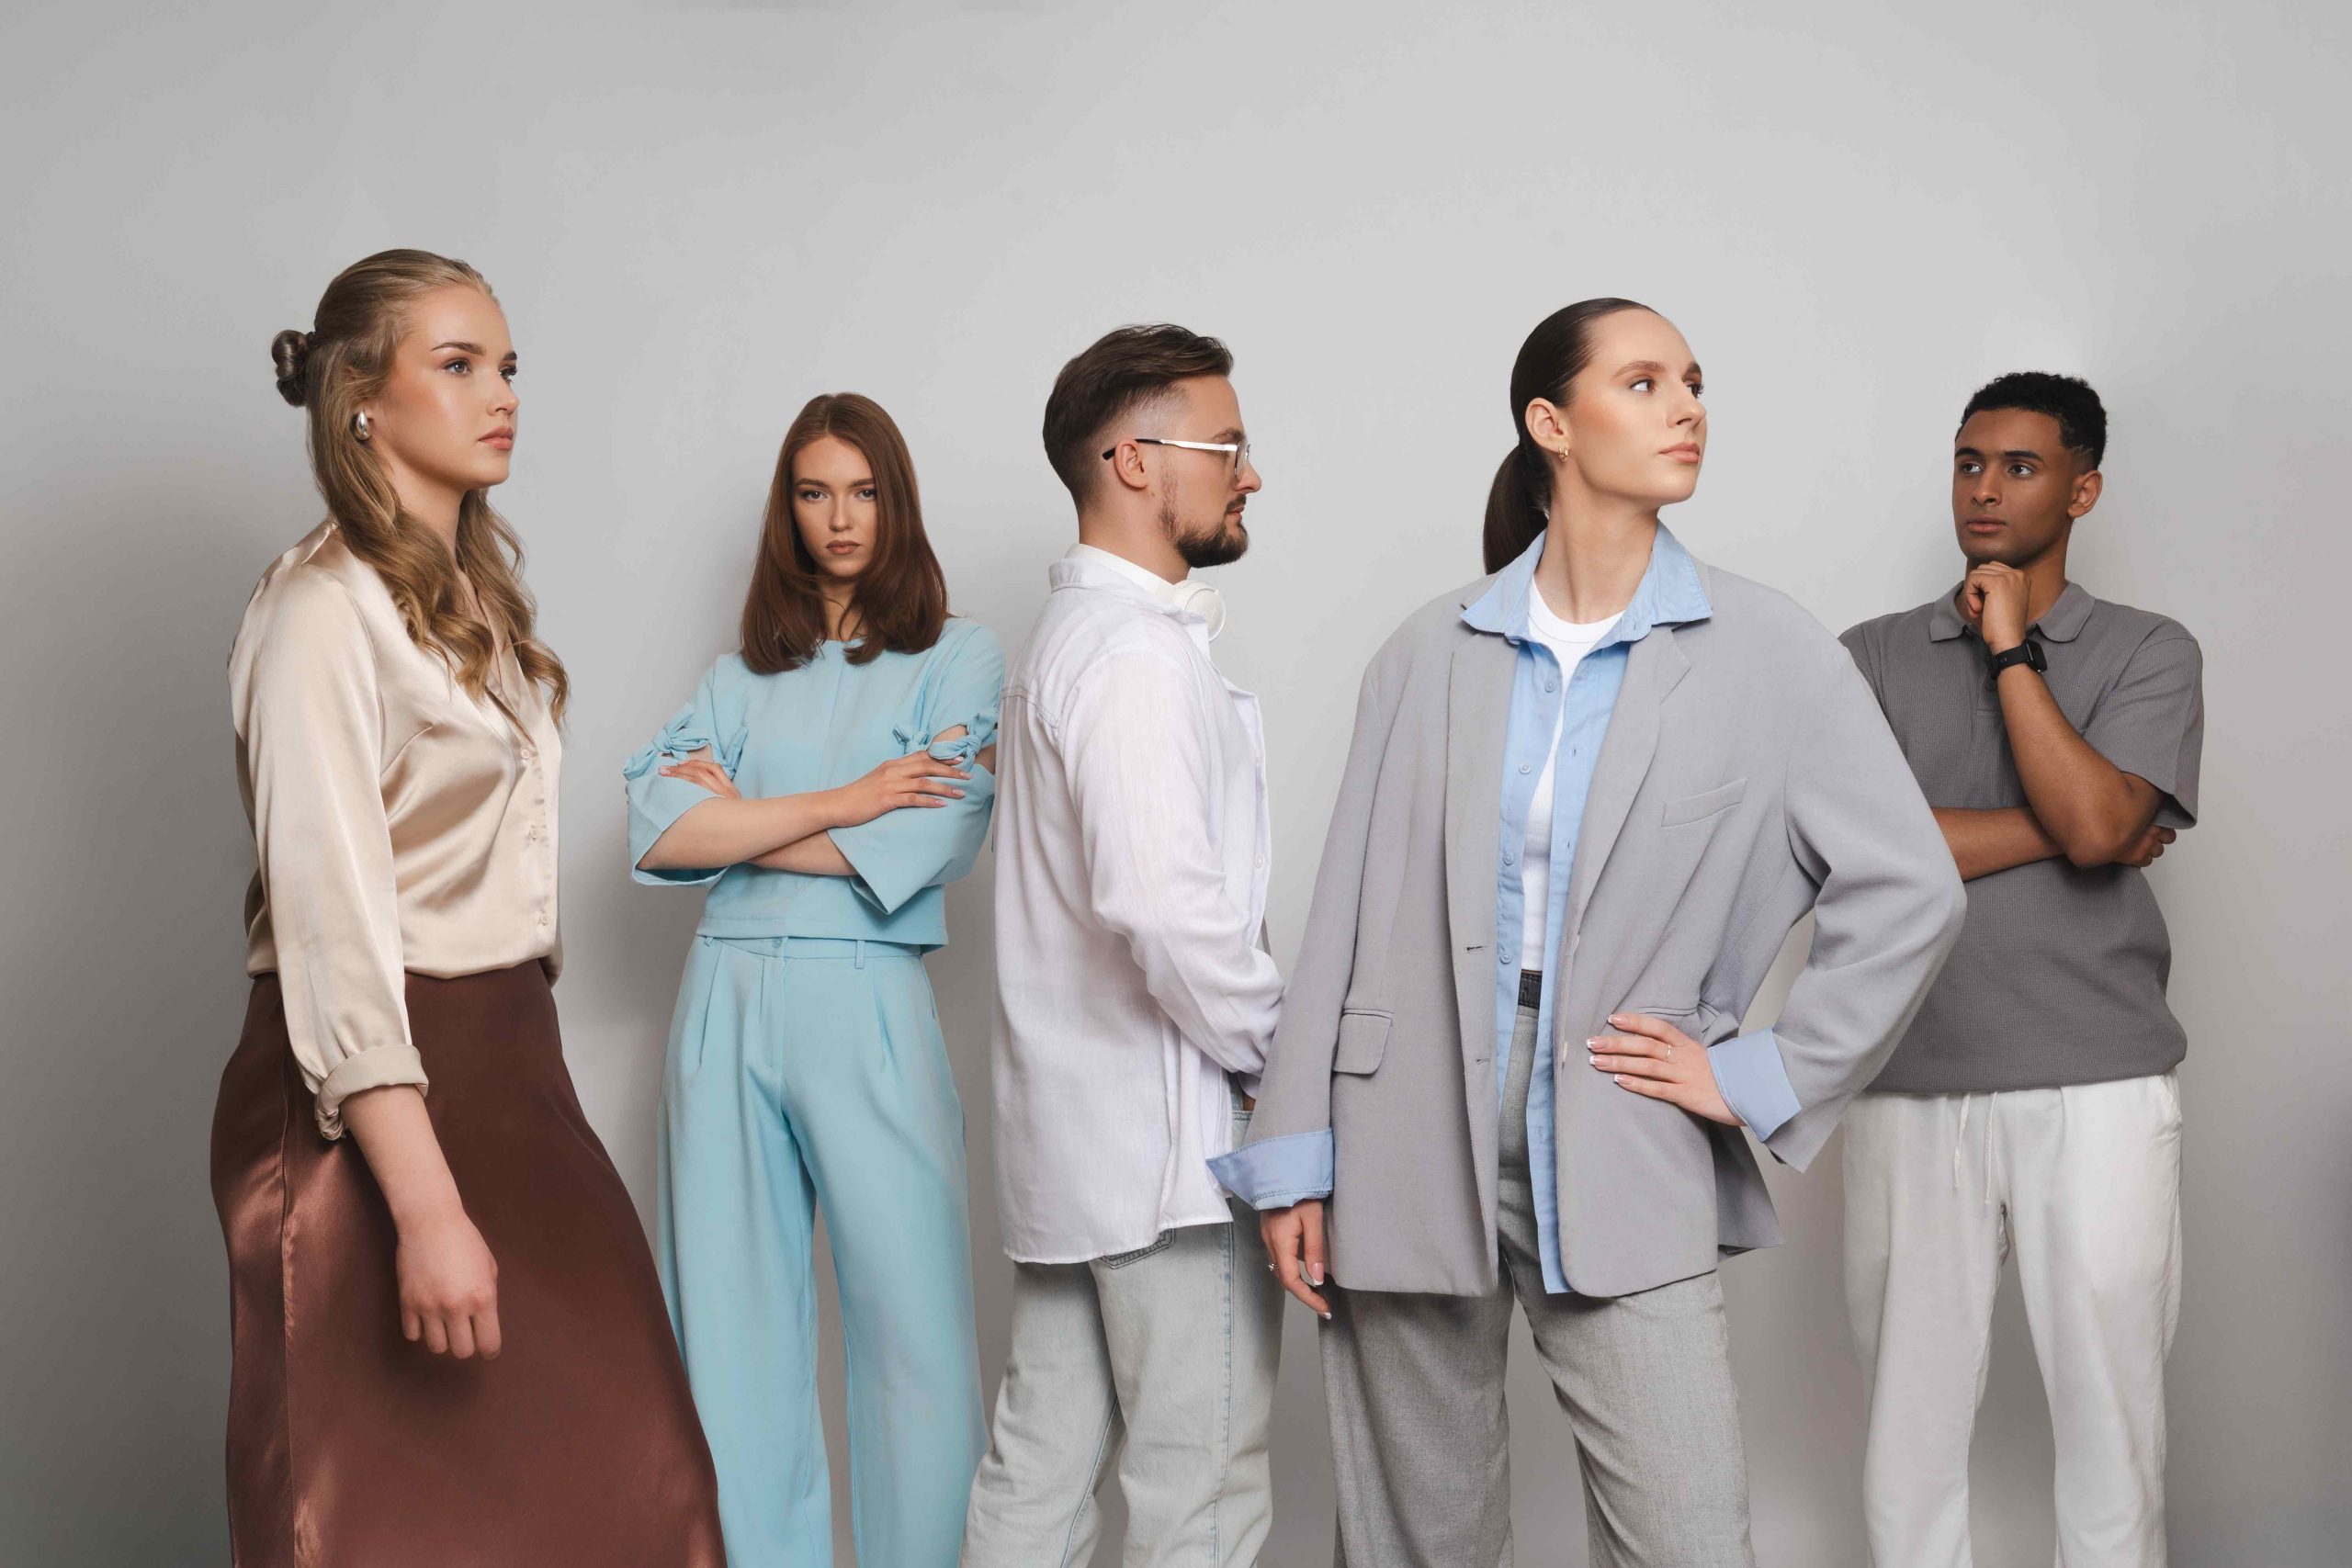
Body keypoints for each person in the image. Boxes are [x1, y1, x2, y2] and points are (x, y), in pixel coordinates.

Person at [1216, 299, 1967, 1567]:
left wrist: (1761, 1071)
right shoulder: (1428, 651)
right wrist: (1292, 1152)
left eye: (1694, 382)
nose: (1687, 408)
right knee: (1417, 1536)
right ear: (1550, 423)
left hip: (1625, 1118)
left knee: (1687, 1532)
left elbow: (1912, 886)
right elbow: (1342, 908)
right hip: (1406, 1121)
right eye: (1644, 382)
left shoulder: (1768, 649)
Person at [212, 249, 723, 1567]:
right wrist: (426, 1208)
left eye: (506, 366)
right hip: (371, 1092)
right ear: (360, 399)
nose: (502, 394)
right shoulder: (319, 610)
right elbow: (329, 928)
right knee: (378, 1516)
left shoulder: (471, 606)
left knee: (637, 1487)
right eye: (457, 364)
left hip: (514, 1069)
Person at [627, 392, 1001, 1566]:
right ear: (786, 510)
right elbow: (658, 831)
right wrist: (845, 802)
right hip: (724, 1002)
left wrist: (739, 823)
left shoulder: (959, 659)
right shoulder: (735, 678)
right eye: (813, 491)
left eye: (864, 491)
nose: (840, 517)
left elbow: (932, 838)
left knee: (916, 1338)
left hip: (868, 995)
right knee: (729, 1341)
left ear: (897, 502)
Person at [1838, 372, 2202, 1568]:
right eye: (1968, 462)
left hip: (2096, 1082)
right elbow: (1860, 848)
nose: (1984, 489)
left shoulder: (2149, 650)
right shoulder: (1870, 657)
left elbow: (2092, 826)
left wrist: (2008, 650)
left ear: (2082, 490)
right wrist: (2079, 823)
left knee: (2111, 1432)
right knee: (1905, 1445)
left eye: (2020, 466)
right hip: (1906, 1075)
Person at [959, 325, 1284, 1567]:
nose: (1251, 474)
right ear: (1133, 460)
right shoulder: (1132, 652)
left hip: (1077, 1157)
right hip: (1166, 1166)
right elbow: (1160, 905)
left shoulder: (1073, 641)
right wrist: (1278, 1053)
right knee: (1198, 1497)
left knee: (1037, 1479)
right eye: (1228, 447)